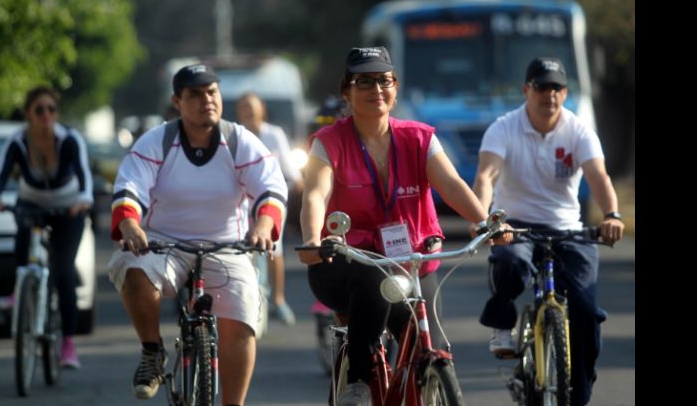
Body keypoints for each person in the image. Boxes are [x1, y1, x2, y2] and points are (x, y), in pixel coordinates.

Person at [297, 47, 511, 406]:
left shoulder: (419, 137)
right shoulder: (328, 143)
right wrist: (312, 240)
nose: (376, 89)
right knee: (373, 282)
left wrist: (483, 222)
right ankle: (358, 380)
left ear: (395, 88)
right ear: (346, 91)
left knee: (429, 346)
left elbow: (452, 185)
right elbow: (315, 194)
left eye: (384, 81)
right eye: (364, 82)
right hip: (346, 262)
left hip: (411, 262)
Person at [107, 64, 288, 404]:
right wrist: (130, 224)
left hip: (227, 246)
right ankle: (152, 352)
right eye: (195, 94)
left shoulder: (239, 140)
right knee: (132, 269)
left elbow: (271, 187)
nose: (207, 100)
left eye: (212, 92)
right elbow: (130, 187)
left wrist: (264, 224)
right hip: (164, 244)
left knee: (241, 316)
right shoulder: (157, 141)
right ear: (177, 102)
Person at [472, 57, 625, 406]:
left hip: (568, 229)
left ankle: (579, 397)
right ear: (527, 90)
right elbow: (486, 176)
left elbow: (598, 176)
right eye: (541, 86)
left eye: (556, 87)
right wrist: (484, 218)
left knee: (586, 313)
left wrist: (612, 215)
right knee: (510, 262)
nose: (549, 94)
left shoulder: (578, 130)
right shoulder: (503, 128)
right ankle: (502, 322)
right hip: (516, 225)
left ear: (565, 93)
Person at [0, 86, 93, 369]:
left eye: (51, 109)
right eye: (39, 110)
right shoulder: (18, 141)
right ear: (28, 114)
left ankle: (68, 345)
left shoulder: (69, 139)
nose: (46, 115)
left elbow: (84, 177)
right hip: (32, 202)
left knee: (64, 272)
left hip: (67, 206)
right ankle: (20, 288)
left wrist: (84, 200)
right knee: (23, 229)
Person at [236, 92, 302, 326]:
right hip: (242, 202)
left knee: (275, 248)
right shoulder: (234, 136)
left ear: (262, 109)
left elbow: (289, 169)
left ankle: (278, 299)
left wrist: (298, 185)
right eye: (244, 107)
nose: (249, 111)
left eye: (252, 107)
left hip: (271, 201)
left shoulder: (274, 134)